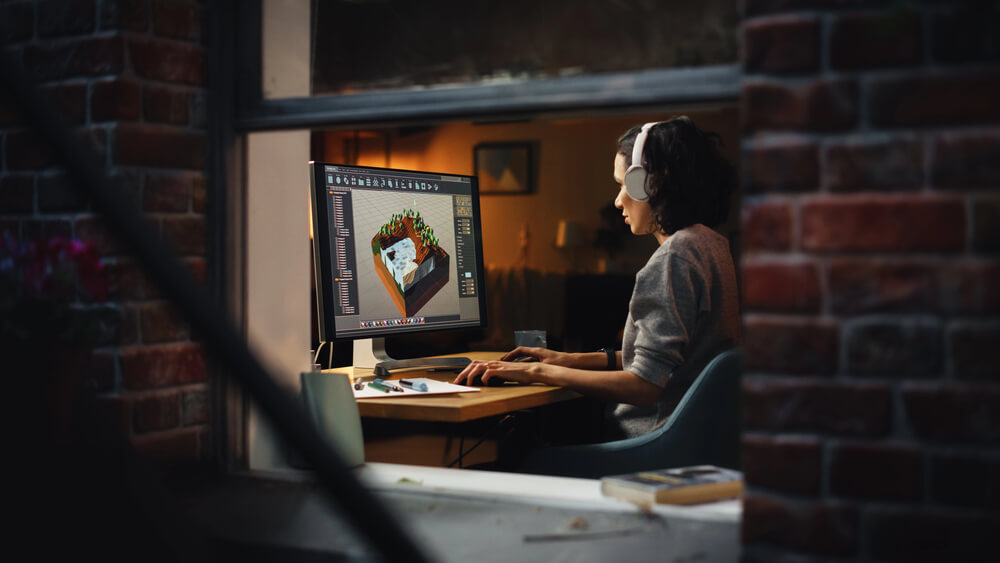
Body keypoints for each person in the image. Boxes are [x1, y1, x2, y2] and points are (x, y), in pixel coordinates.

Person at [454, 116, 741, 438]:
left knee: (517, 449)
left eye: (622, 184)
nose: (618, 200)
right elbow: (665, 360)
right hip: (696, 438)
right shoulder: (712, 244)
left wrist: (536, 370)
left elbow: (644, 386)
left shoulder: (674, 257)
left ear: (650, 184)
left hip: (650, 443)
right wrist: (568, 359)